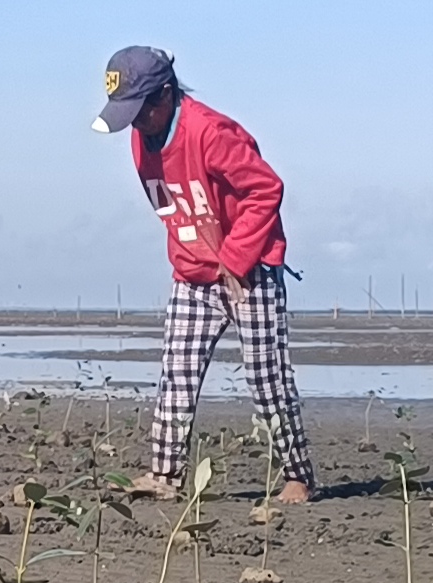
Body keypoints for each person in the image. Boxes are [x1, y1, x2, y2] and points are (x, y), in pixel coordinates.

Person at [94, 46, 313, 504]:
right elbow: (174, 205)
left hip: (249, 269)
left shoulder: (211, 133)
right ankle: (165, 475)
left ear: (166, 95)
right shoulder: (141, 138)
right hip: (193, 274)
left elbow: (266, 190)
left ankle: (297, 476)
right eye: (126, 114)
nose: (135, 123)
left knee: (266, 376)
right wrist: (192, 258)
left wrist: (234, 258)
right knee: (178, 372)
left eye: (140, 112)